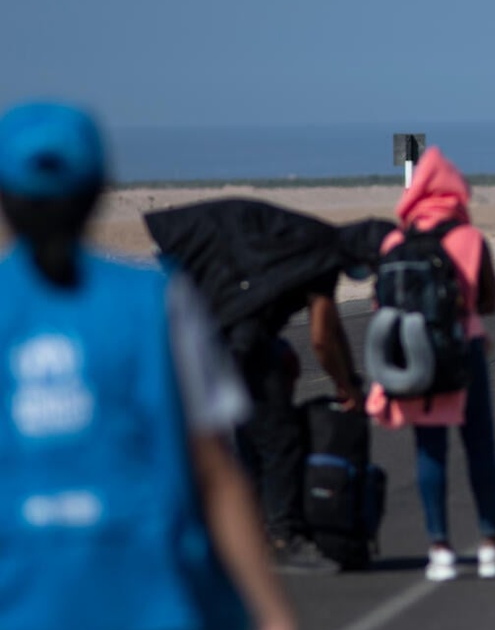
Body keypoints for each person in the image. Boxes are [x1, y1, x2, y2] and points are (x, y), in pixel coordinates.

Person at [0, 102, 295, 630]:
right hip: (155, 598)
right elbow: (214, 471)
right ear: (97, 188)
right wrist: (272, 612)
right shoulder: (156, 301)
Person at [146, 199, 389, 574]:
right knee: (280, 440)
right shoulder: (324, 255)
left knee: (251, 437)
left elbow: (329, 327)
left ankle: (255, 532)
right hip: (241, 343)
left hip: (225, 338)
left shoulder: (313, 241)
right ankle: (284, 539)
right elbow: (323, 335)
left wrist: (346, 378)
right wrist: (347, 385)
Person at [366, 147, 495, 581]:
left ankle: (439, 548)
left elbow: (380, 301)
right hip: (463, 349)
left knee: (429, 448)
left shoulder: (394, 241)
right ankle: (491, 543)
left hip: (415, 351)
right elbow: (488, 301)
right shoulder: (470, 239)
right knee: (478, 445)